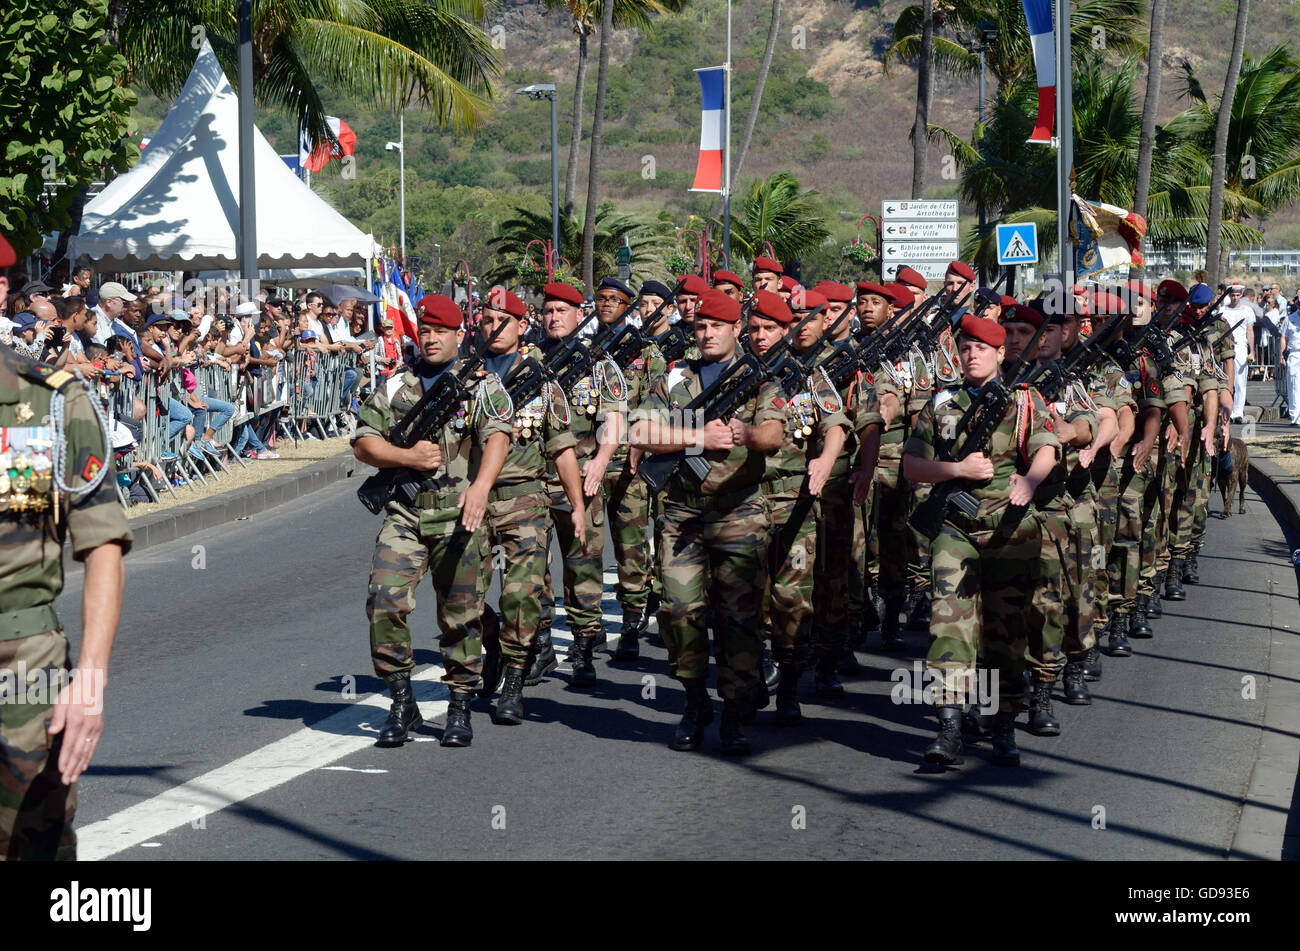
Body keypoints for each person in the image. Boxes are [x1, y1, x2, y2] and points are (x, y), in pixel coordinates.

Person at [352, 294, 512, 748]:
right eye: (425, 331)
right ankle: (402, 701)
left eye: (441, 331)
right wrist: (407, 457)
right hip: (406, 514)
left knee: (460, 613)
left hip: (459, 514)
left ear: (460, 335)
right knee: (384, 599)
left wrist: (481, 487)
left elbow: (498, 436)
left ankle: (460, 704)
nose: (431, 338)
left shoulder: (481, 385)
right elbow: (363, 442)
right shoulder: (395, 386)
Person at [629, 288, 784, 754]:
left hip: (739, 512)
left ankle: (734, 712)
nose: (708, 333)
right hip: (683, 513)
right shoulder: (676, 378)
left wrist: (745, 433)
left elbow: (774, 434)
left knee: (739, 619)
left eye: (717, 326)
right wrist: (695, 436)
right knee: (679, 612)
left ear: (736, 329)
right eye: (701, 326)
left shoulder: (760, 379)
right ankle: (695, 701)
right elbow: (639, 430)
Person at [902, 313, 1060, 768]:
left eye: (982, 349)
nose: (972, 355)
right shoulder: (942, 404)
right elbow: (912, 466)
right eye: (966, 348)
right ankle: (949, 727)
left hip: (1009, 530)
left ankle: (1001, 725)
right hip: (956, 529)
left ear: (999, 354)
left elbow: (1047, 448)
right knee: (949, 625)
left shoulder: (1024, 402)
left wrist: (1030, 481)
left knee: (1005, 632)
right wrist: (956, 470)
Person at [0, 344, 131, 859]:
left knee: (30, 845)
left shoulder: (51, 402)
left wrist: (91, 683)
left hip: (22, 670)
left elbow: (103, 547)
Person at [475, 287, 585, 726]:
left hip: (524, 500)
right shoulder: (464, 377)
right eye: (486, 320)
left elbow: (562, 448)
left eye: (502, 321)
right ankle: (493, 646)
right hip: (471, 501)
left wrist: (577, 505)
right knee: (461, 597)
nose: (493, 327)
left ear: (522, 326)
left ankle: (515, 683)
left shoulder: (542, 381)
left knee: (521, 596)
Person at [531, 282, 624, 687]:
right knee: (531, 568)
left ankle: (585, 645)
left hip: (582, 476)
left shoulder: (599, 364)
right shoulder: (528, 362)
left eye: (562, 311)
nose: (554, 317)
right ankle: (541, 646)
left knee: (582, 563)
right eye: (548, 311)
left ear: (578, 315)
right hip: (533, 481)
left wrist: (601, 462)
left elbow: (614, 420)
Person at [1218, 283, 1254, 421]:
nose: (1235, 297)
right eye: (1233, 295)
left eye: (1238, 295)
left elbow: (1250, 331)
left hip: (1240, 346)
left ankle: (1238, 412)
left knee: (1240, 381)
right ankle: (1226, 409)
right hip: (1225, 346)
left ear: (1241, 295)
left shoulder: (1247, 310)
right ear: (1229, 295)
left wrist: (1252, 351)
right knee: (1225, 380)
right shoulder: (1223, 310)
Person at [1281, 300, 1300, 425]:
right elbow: (1283, 336)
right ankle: (1295, 416)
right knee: (1294, 385)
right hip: (1295, 353)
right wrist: (1281, 355)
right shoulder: (1289, 319)